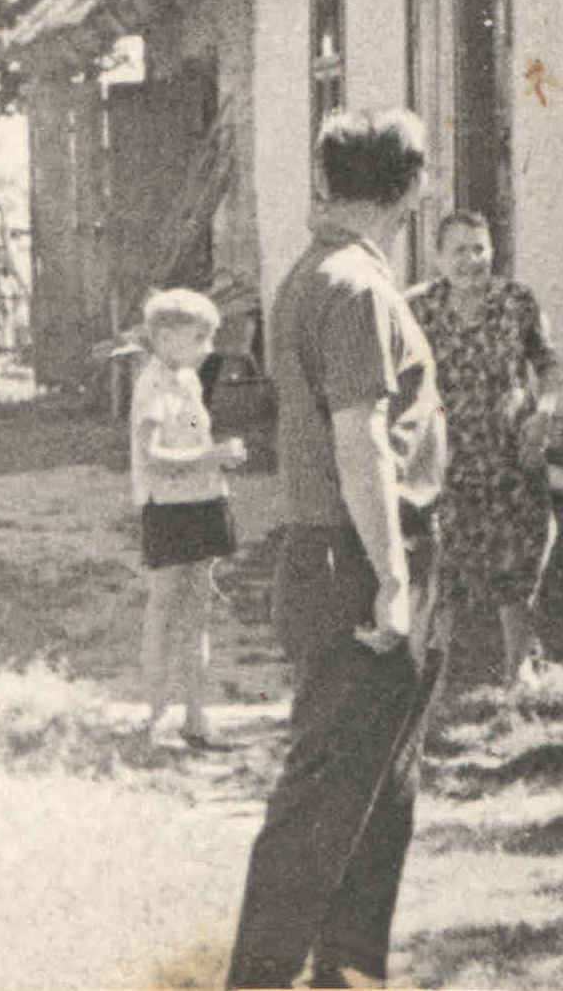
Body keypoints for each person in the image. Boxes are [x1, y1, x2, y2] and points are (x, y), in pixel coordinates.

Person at [225, 109, 450, 991]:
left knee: (379, 780)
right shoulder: (355, 287)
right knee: (325, 795)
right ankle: (260, 978)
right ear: (411, 185)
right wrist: (391, 577)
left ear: (329, 179)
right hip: (357, 556)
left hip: (350, 551)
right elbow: (360, 444)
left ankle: (346, 972)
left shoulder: (324, 272)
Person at [410, 210, 557, 687]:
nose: (471, 260)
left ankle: (519, 664)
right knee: (444, 560)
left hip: (510, 450)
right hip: (447, 454)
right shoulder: (419, 308)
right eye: (459, 250)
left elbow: (547, 365)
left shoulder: (518, 301)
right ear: (438, 257)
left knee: (519, 555)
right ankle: (432, 671)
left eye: (479, 248)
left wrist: (545, 411)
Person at [129, 285, 247, 750]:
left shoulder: (189, 381)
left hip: (203, 502)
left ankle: (196, 718)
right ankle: (154, 718)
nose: (208, 348)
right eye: (200, 338)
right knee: (163, 610)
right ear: (165, 337)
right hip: (168, 507)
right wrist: (210, 457)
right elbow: (152, 457)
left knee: (198, 612)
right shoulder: (152, 385)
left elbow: (196, 441)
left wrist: (217, 456)